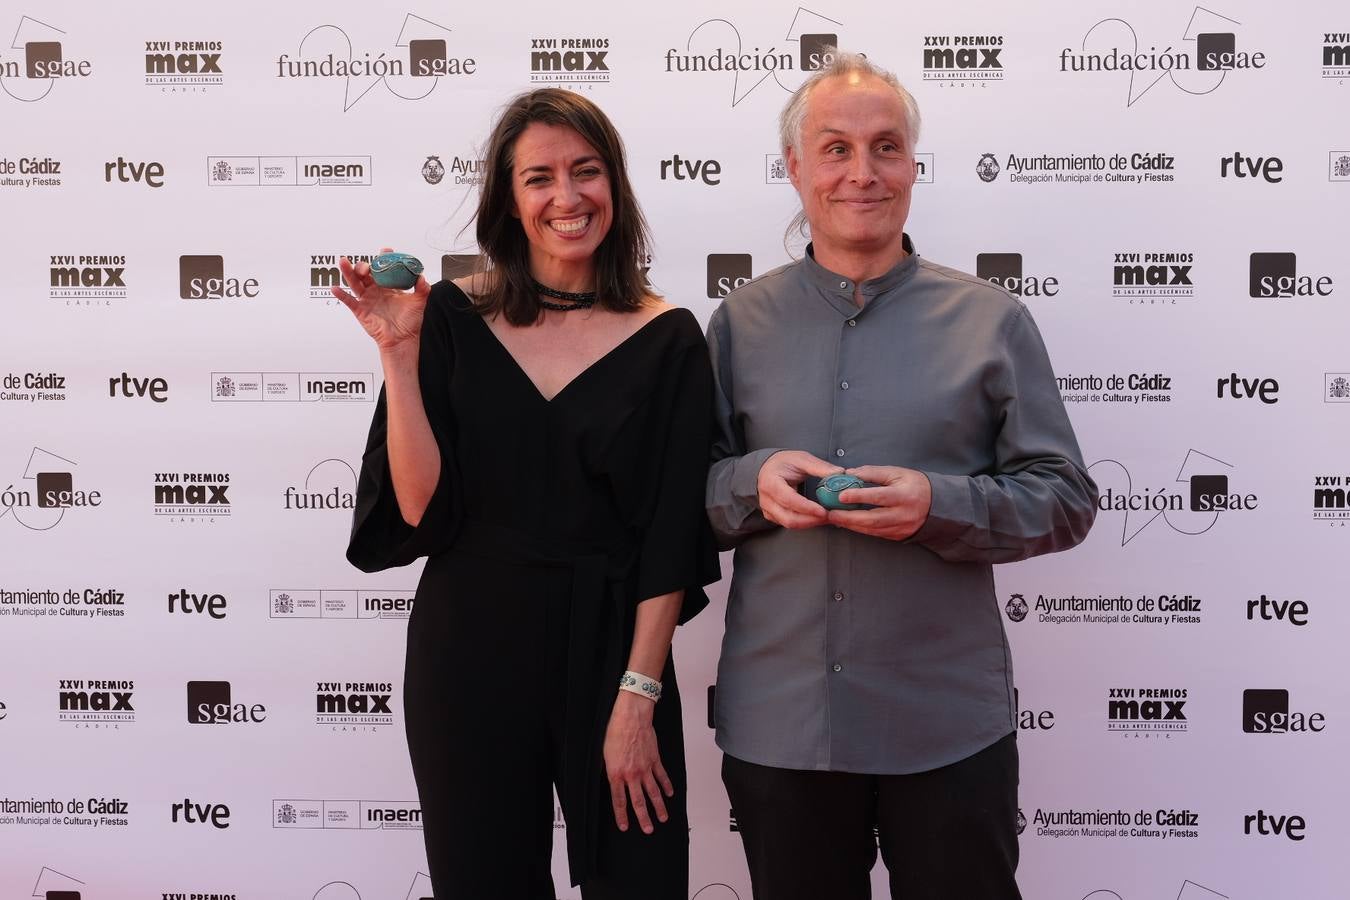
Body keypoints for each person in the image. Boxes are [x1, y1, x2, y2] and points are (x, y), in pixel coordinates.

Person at [705, 53, 1098, 900]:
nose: (862, 172)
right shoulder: (738, 323)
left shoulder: (993, 320)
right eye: (836, 148)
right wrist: (751, 481)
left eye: (886, 147)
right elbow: (683, 497)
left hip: (948, 727)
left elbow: (1066, 498)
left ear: (913, 165)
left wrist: (939, 505)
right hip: (783, 728)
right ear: (796, 168)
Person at [337, 88, 719, 900]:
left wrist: (637, 700)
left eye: (586, 171)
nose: (567, 197)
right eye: (539, 177)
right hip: (468, 651)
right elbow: (417, 510)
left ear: (614, 184)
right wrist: (400, 360)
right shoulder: (448, 315)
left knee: (641, 881)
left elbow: (668, 536)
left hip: (615, 652)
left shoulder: (670, 334)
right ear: (509, 201)